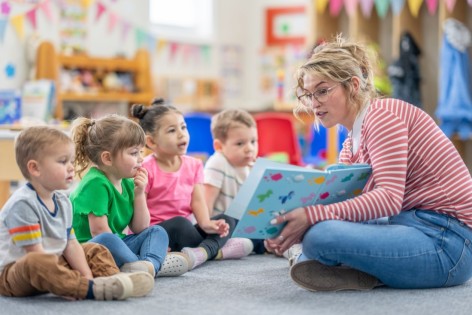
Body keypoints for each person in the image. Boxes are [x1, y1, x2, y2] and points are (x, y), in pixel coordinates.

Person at [266, 35, 472, 292]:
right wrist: (290, 225)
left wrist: (311, 217)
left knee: (321, 236)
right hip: (406, 225)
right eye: (308, 94)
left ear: (352, 85)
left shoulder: (382, 116)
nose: (314, 102)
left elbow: (388, 198)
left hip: (448, 243)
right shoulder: (350, 143)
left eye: (322, 91)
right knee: (315, 231)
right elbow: (343, 205)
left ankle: (341, 264)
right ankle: (353, 267)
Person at [0, 126, 154, 300]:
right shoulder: (23, 204)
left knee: (93, 248)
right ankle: (88, 289)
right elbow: (36, 254)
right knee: (37, 261)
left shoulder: (62, 200)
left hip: (54, 262)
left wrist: (86, 275)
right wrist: (83, 283)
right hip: (16, 274)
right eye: (62, 161)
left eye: (71, 161)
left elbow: (71, 244)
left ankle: (114, 280)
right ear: (35, 168)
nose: (71, 168)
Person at [131, 99, 253, 270]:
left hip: (187, 232)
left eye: (183, 127)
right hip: (157, 233)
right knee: (180, 223)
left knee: (228, 218)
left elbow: (197, 201)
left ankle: (202, 252)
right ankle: (218, 250)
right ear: (151, 142)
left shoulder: (194, 164)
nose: (181, 134)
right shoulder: (144, 169)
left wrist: (206, 223)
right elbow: (137, 213)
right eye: (172, 130)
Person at [70, 114, 189, 278]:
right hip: (90, 249)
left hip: (119, 245)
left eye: (141, 151)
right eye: (134, 153)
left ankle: (148, 265)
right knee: (107, 238)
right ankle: (143, 264)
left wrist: (140, 194)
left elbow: (140, 227)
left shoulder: (126, 181)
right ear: (108, 158)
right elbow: (98, 231)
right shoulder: (95, 183)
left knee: (156, 231)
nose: (141, 158)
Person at [203, 108, 267, 254]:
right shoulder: (218, 162)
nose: (249, 149)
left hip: (241, 225)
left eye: (253, 141)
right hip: (221, 227)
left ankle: (270, 245)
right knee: (229, 219)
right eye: (240, 144)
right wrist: (206, 226)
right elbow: (206, 202)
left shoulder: (250, 167)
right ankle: (224, 249)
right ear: (219, 146)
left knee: (270, 227)